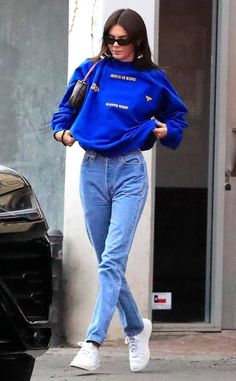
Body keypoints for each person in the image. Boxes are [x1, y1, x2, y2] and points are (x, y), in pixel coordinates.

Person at [51, 8, 188, 373]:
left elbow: (178, 117)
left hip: (129, 171)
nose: (115, 46)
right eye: (110, 39)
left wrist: (165, 131)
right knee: (107, 262)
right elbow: (63, 111)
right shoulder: (91, 69)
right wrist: (62, 133)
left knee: (112, 260)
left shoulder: (154, 79)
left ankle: (93, 342)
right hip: (92, 169)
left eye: (122, 40)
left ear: (138, 41)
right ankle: (135, 326)